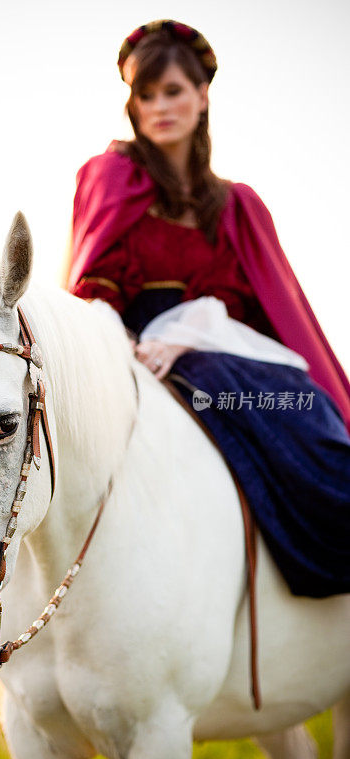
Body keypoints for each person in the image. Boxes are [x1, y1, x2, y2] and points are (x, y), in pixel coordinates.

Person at [66, 19, 350, 598]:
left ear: (201, 96)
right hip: (127, 342)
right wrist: (126, 346)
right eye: (145, 95)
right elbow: (92, 287)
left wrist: (189, 338)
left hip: (212, 346)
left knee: (302, 409)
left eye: (172, 91)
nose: (159, 107)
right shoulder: (113, 176)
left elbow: (244, 303)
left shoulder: (235, 204)